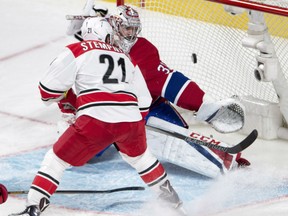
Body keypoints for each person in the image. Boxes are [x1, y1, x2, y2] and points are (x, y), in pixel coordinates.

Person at [9, 17, 184, 216]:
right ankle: (175, 205)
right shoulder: (126, 57)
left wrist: (68, 102)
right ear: (107, 35)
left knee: (56, 160)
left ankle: (33, 207)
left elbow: (47, 90)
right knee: (143, 160)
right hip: (131, 121)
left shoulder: (77, 50)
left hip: (94, 120)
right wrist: (127, 122)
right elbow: (143, 102)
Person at [64, 2, 250, 178]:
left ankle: (227, 159)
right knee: (82, 156)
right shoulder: (93, 50)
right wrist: (71, 109)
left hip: (149, 107)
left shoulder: (142, 51)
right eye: (126, 28)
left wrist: (205, 107)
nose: (130, 34)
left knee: (178, 136)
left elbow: (171, 81)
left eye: (134, 29)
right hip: (109, 113)